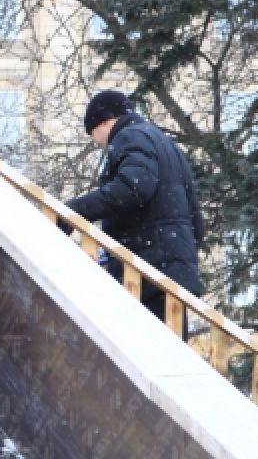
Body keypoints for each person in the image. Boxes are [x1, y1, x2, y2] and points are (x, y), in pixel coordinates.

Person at [68, 90, 205, 330]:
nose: (98, 143)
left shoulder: (129, 136)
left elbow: (131, 189)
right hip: (172, 276)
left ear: (104, 121)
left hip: (146, 273)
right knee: (169, 357)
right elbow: (196, 222)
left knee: (142, 355)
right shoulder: (165, 144)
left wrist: (72, 211)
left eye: (94, 135)